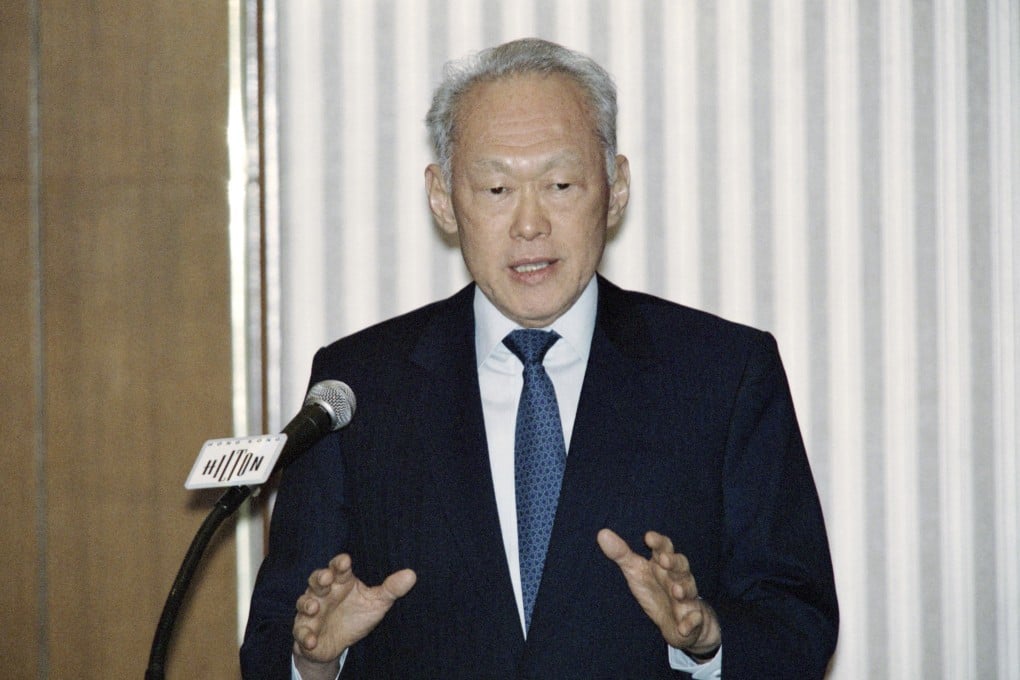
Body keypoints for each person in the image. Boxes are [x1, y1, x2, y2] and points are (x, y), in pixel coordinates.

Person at [241, 38, 838, 679]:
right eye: (497, 188)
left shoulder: (722, 373)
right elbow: (274, 642)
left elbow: (797, 625)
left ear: (616, 188)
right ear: (442, 198)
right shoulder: (360, 387)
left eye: (559, 184)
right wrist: (313, 660)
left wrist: (707, 640)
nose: (530, 224)